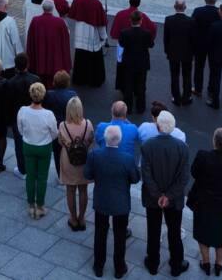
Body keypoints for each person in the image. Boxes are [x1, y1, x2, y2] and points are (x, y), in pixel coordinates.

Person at [85, 124, 141, 278]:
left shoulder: (95, 155)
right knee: (120, 236)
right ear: (120, 140)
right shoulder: (127, 159)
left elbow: (87, 175)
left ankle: (98, 266)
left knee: (100, 234)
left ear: (105, 138)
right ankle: (119, 268)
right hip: (121, 203)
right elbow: (135, 179)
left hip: (102, 200)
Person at [141, 111, 191, 277]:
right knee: (174, 232)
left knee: (153, 230)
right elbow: (183, 178)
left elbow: (146, 174)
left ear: (158, 126)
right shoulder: (182, 148)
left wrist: (158, 195)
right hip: (174, 199)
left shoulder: (147, 146)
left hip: (152, 198)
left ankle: (153, 263)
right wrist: (168, 196)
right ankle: (176, 265)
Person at [188, 127, 222, 276]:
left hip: (202, 200)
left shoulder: (202, 156)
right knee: (221, 234)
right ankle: (218, 263)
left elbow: (194, 173)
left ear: (214, 142)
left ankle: (205, 262)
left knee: (202, 232)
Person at [17, 82, 58, 218]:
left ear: (31, 94)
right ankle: (40, 206)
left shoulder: (22, 110)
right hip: (44, 147)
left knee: (30, 176)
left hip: (28, 146)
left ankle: (30, 205)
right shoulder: (48, 114)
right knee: (42, 177)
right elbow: (54, 133)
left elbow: (20, 130)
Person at [59, 95, 95, 231]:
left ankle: (73, 219)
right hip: (84, 161)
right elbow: (91, 140)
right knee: (83, 189)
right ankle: (82, 218)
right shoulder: (88, 124)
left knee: (70, 189)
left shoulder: (63, 125)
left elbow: (60, 142)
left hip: (68, 160)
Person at [70, 0, 108, 87]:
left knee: (80, 58)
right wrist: (103, 36)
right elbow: (100, 24)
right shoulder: (96, 3)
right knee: (94, 60)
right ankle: (94, 81)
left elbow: (73, 13)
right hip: (92, 34)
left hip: (80, 32)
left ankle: (79, 79)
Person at [26, 0, 72, 80]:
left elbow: (30, 39)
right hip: (54, 57)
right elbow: (65, 40)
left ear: (43, 8)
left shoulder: (35, 20)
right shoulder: (60, 22)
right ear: (53, 8)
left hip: (40, 56)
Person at [118, 11, 154, 114]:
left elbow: (121, 43)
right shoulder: (146, 33)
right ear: (141, 20)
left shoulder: (124, 32)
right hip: (142, 62)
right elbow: (151, 45)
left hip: (128, 62)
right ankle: (140, 107)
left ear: (130, 20)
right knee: (141, 85)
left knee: (128, 85)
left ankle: (128, 108)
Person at [163, 0, 195, 107]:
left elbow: (166, 38)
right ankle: (187, 97)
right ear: (185, 7)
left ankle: (176, 97)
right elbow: (193, 39)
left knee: (174, 75)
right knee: (187, 75)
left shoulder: (168, 20)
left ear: (174, 7)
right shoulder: (191, 21)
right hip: (187, 53)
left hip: (173, 52)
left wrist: (167, 51)